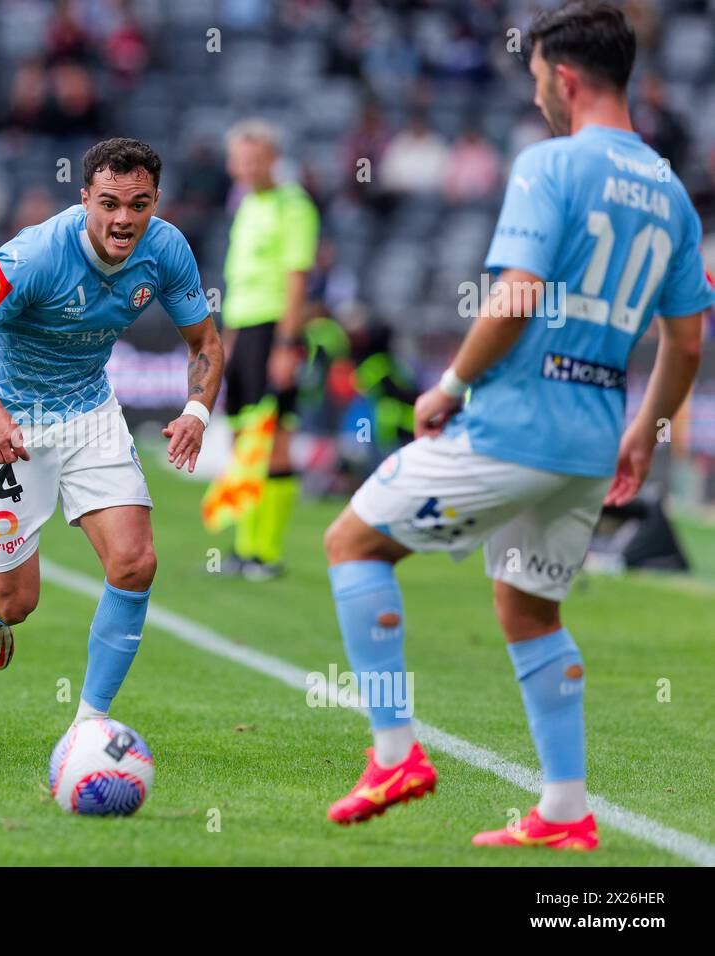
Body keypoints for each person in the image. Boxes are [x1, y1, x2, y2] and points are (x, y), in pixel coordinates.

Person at [320, 2, 713, 850]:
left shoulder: (551, 165)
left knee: (352, 544)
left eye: (538, 78)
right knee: (529, 612)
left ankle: (393, 753)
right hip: (589, 444)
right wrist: (645, 432)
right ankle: (566, 812)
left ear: (565, 78)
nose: (536, 94)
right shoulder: (672, 194)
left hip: (512, 427)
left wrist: (451, 384)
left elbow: (516, 295)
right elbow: (686, 339)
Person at [0, 138, 223, 728]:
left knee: (135, 562)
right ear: (85, 197)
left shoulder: (166, 249)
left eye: (139, 204)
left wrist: (196, 412)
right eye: (110, 203)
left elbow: (205, 343)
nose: (124, 219)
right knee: (17, 602)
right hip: (8, 423)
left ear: (155, 202)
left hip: (90, 413)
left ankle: (88, 727)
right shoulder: (36, 255)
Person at [205, 119, 318, 580]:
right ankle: (245, 545)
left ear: (273, 159)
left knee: (274, 440)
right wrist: (229, 338)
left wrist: (287, 345)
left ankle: (266, 554)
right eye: (241, 161)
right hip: (244, 329)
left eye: (256, 160)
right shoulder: (247, 204)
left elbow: (297, 278)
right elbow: (240, 281)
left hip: (275, 330)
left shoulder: (293, 206)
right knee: (242, 439)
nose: (248, 168)